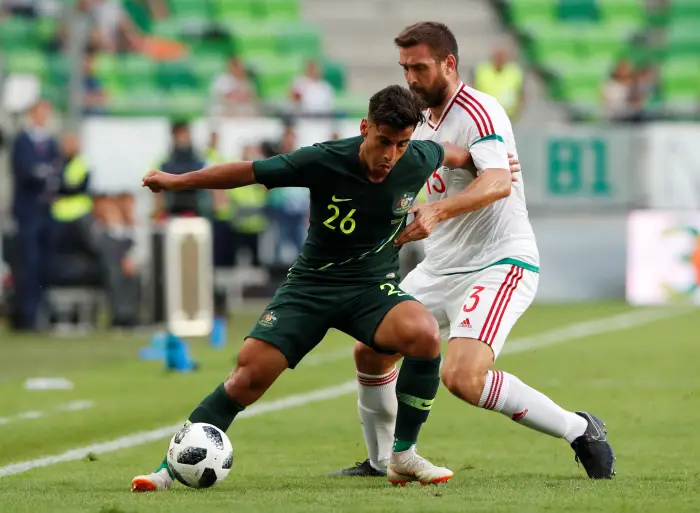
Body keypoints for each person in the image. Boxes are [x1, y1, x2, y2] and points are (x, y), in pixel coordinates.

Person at [131, 85, 485, 492]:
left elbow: (457, 154)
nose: (391, 155)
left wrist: (488, 165)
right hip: (311, 287)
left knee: (424, 334)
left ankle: (402, 455)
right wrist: (177, 182)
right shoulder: (324, 159)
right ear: (365, 127)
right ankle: (168, 470)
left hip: (371, 288)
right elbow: (249, 171)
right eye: (384, 141)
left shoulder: (419, 157)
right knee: (247, 377)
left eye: (402, 144)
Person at [330, 22, 615, 481]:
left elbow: (498, 182)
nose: (411, 79)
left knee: (463, 378)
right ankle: (383, 461)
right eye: (405, 68)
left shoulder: (480, 111)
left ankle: (580, 428)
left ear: (449, 63)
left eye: (420, 68)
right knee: (370, 350)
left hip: (499, 262)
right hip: (440, 265)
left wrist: (437, 212)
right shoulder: (415, 118)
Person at [10, 98, 60, 331]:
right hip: (28, 212)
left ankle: (41, 315)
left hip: (46, 211)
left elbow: (56, 171)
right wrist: (43, 173)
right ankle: (25, 316)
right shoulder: (22, 141)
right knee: (27, 264)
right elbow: (25, 172)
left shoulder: (50, 142)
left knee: (44, 264)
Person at [473, 44, 524, 122]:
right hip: (487, 116)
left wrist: (518, 111)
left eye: (503, 56)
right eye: (498, 56)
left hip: (508, 116)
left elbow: (520, 93)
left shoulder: (514, 71)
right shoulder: (482, 70)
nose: (500, 59)